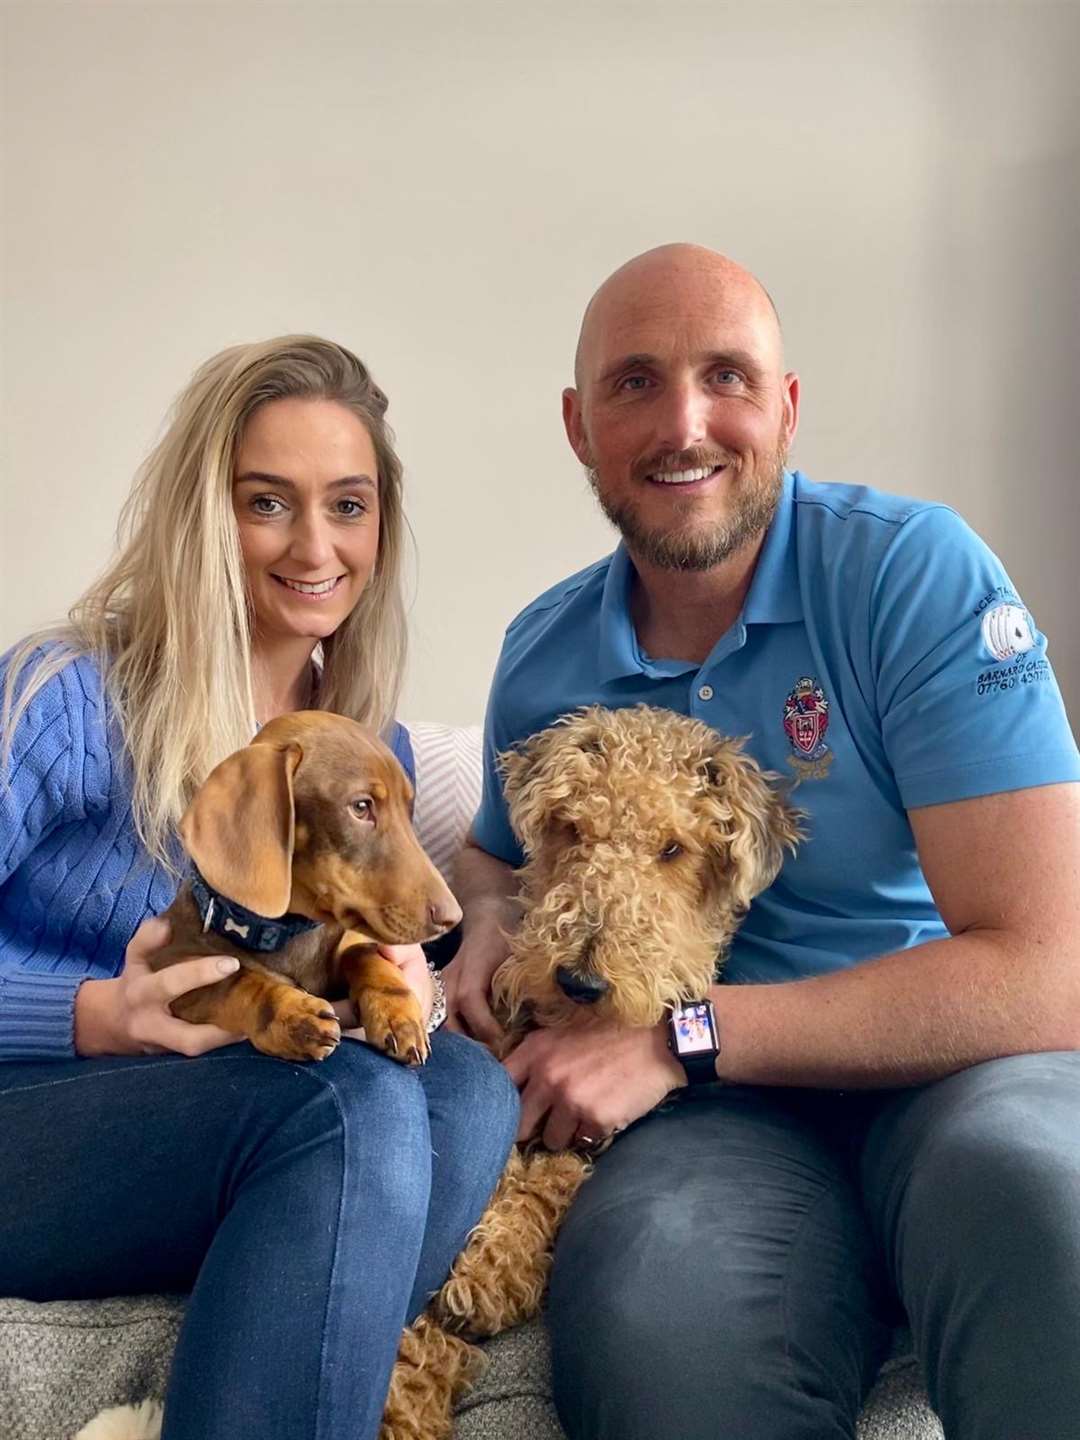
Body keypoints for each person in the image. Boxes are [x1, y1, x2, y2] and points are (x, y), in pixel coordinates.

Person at [444, 245, 1080, 1439]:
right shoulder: (542, 655)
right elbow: (489, 845)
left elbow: (1055, 970)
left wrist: (686, 1037)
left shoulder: (915, 578)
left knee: (1053, 1214)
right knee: (653, 1331)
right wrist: (487, 913)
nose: (685, 423)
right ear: (579, 427)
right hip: (719, 1136)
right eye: (635, 382)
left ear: (785, 409)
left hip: (960, 1071)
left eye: (727, 376)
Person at [0, 336, 518, 1440]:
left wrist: (400, 974)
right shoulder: (68, 698)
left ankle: (262, 1347)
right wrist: (89, 1015)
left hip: (206, 1135)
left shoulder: (350, 748)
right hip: (27, 1116)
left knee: (470, 1094)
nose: (317, 545)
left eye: (349, 504)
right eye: (268, 502)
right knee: (351, 1106)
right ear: (206, 513)